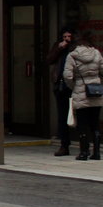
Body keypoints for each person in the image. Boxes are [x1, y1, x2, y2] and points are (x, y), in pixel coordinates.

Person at [63, 31, 103, 161]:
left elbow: (67, 76)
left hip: (80, 89)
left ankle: (84, 152)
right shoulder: (96, 53)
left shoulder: (72, 56)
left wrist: (74, 86)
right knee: (95, 123)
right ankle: (97, 152)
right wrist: (95, 77)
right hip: (96, 90)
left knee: (82, 124)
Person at [45, 23, 77, 156]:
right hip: (61, 85)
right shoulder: (58, 46)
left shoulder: (76, 48)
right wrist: (59, 48)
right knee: (62, 116)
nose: (66, 39)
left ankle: (84, 144)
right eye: (64, 37)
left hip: (74, 85)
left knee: (79, 115)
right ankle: (64, 145)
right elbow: (49, 60)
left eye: (69, 36)